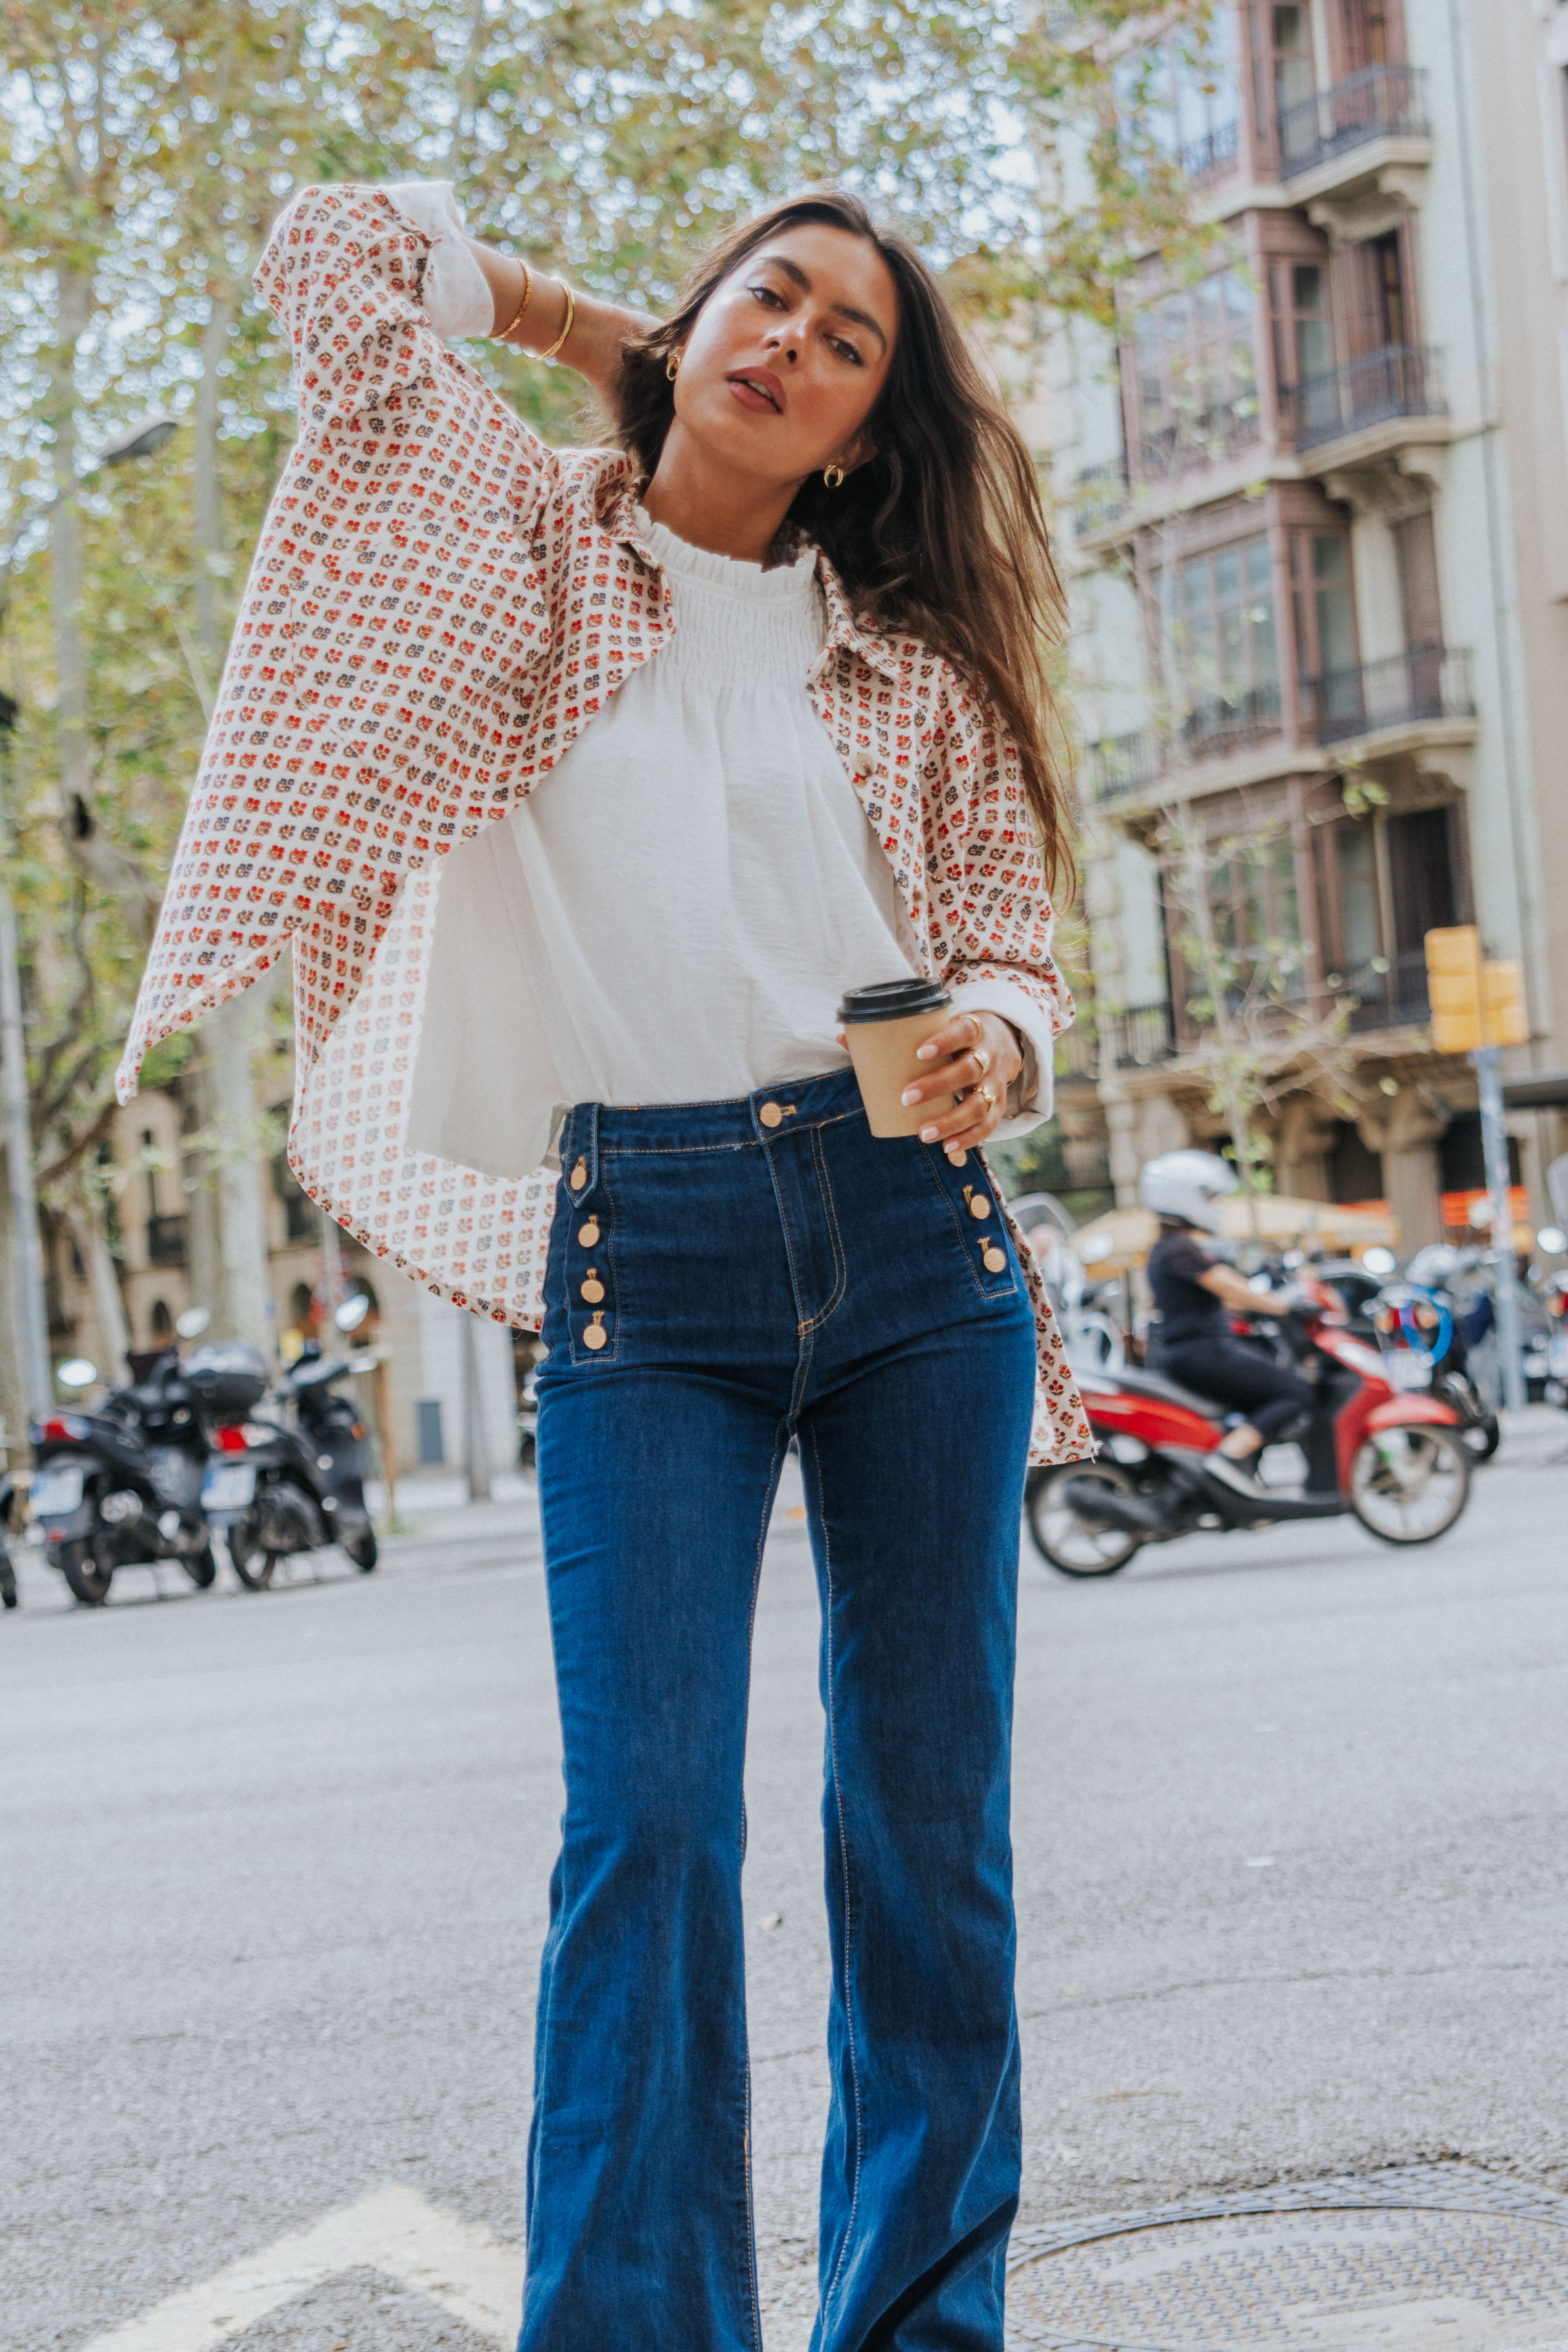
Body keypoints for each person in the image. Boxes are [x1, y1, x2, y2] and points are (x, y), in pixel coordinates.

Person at [117, 179, 1095, 2348]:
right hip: (639, 1258)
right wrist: (593, 339)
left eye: (847, 343)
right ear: (703, 305)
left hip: (909, 1239)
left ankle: (922, 2322)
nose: (797, 345)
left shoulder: (908, 665)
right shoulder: (533, 548)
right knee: (643, 1831)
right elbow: (332, 261)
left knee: (921, 1828)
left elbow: (1013, 926)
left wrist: (995, 1030)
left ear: (862, 432)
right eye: (774, 294)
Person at [1139, 1152, 1313, 1478]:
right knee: (1296, 1392)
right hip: (1203, 1352)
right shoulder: (1181, 1248)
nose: (1212, 1203)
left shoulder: (1166, 1249)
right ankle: (1224, 1463)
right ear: (1183, 1196)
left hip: (1188, 1352)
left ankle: (1243, 1477)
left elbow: (1221, 1298)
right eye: (1207, 1196)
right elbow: (1233, 1289)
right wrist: (1284, 1304)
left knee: (1260, 1397)